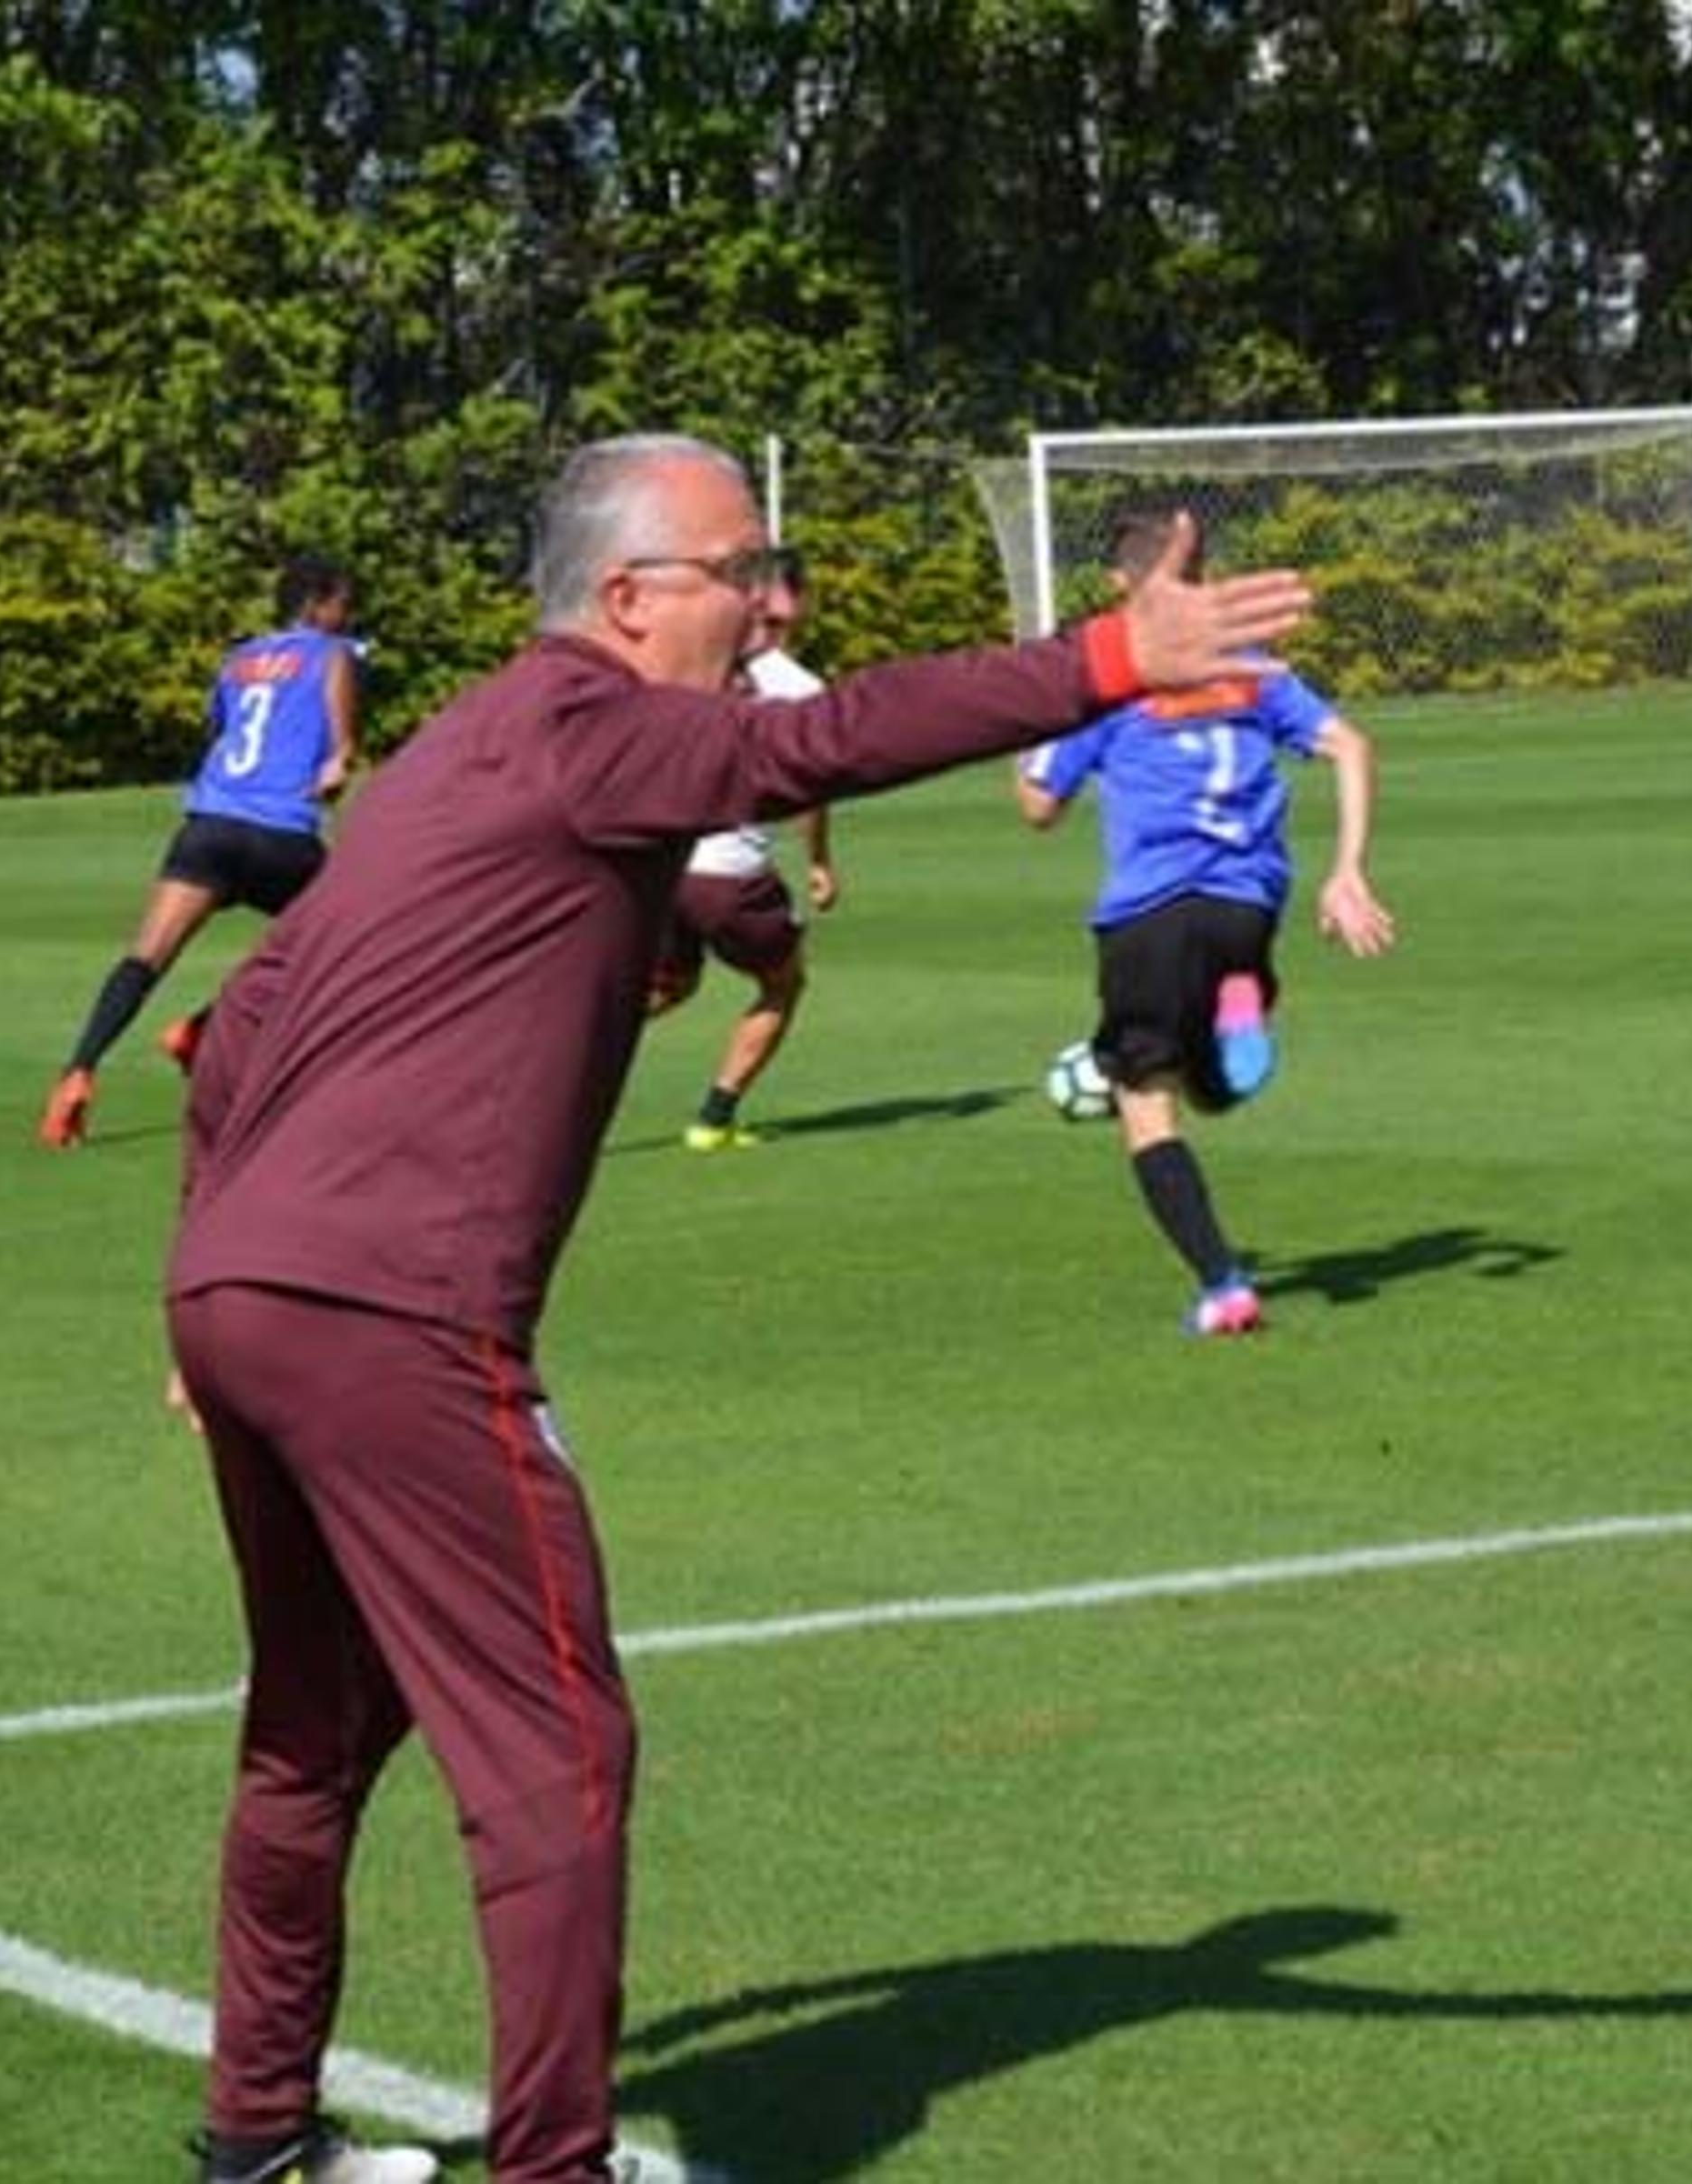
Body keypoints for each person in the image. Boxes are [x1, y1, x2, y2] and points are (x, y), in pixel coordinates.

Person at [162, 434, 1309, 2184]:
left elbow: (233, 1033)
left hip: (247, 1293)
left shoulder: (449, 746)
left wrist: (214, 1284)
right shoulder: (598, 720)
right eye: (742, 568)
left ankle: (254, 2142)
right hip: (394, 1313)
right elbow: (815, 742)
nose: (774, 598)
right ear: (629, 600)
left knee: (315, 1731)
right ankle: (557, 2165)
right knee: (557, 1751)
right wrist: (1103, 660)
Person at [1014, 505, 1396, 1338]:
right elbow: (1352, 746)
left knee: (1144, 1101)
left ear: (1122, 581)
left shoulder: (1108, 680)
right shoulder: (1252, 668)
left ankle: (1222, 1283)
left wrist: (1036, 729)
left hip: (1147, 910)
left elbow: (1037, 805)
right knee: (1216, 1086)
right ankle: (1240, 1003)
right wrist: (1347, 871)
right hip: (1247, 905)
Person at [37, 556, 366, 1149]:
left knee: (145, 957)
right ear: (317, 605)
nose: (349, 614)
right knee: (343, 941)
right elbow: (341, 749)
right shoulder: (332, 651)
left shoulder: (237, 660)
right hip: (281, 835)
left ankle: (76, 1074)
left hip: (210, 825)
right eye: (344, 602)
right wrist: (339, 761)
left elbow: (224, 732)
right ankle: (201, 1029)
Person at [649, 546, 838, 1151]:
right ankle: (714, 1117)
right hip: (728, 873)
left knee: (670, 987)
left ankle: (555, 1058)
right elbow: (813, 790)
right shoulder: (801, 687)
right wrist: (818, 863)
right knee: (785, 984)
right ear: (794, 602)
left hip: (665, 864)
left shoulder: (688, 669)